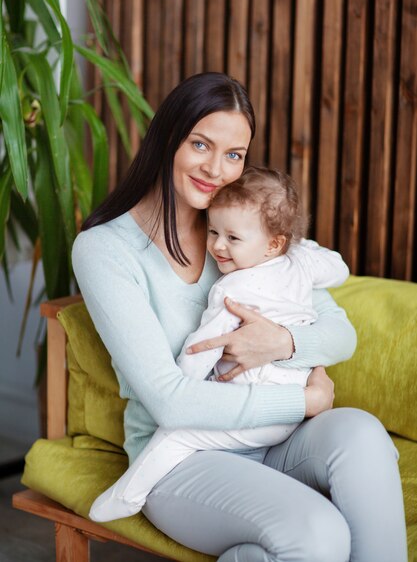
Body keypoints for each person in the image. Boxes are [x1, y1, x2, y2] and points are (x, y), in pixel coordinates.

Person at [72, 73, 407, 562]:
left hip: (274, 443)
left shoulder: (245, 229)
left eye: (234, 155)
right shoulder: (105, 250)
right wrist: (302, 402)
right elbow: (169, 401)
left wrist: (280, 343)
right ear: (168, 139)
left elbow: (340, 335)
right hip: (182, 456)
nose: (216, 168)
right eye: (200, 144)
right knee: (318, 533)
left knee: (362, 434)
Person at [88, 166, 351, 523]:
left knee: (175, 438)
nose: (217, 246)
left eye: (232, 238)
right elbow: (339, 270)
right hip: (291, 409)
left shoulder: (233, 288)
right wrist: (303, 251)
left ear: (274, 242)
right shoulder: (298, 264)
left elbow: (203, 346)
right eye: (212, 231)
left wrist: (183, 381)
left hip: (258, 411)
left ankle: (128, 493)